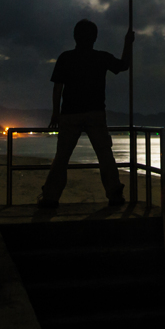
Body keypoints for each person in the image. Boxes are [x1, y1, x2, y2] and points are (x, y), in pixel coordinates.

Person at [37, 19, 134, 208]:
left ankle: (50, 197)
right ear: (95, 38)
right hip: (96, 113)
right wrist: (127, 43)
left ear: (75, 36)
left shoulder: (65, 57)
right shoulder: (101, 57)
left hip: (70, 114)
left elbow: (58, 88)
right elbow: (123, 65)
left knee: (62, 157)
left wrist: (55, 113)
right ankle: (115, 194)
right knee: (105, 155)